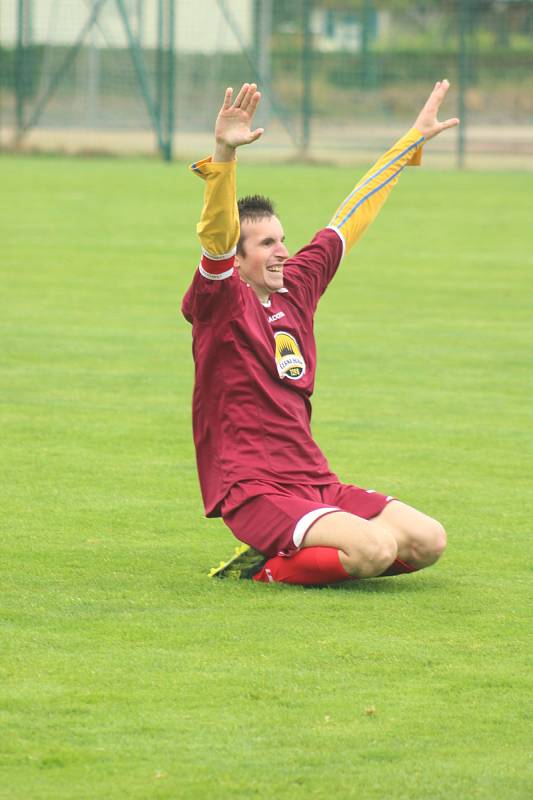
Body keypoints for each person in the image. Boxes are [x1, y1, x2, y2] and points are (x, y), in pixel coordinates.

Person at [182, 80, 459, 586]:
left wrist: (409, 145)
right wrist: (224, 154)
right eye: (266, 244)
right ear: (237, 259)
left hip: (314, 478)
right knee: (374, 549)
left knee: (427, 541)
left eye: (282, 239)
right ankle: (267, 565)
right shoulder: (220, 301)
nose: (282, 251)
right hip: (254, 488)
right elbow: (216, 237)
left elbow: (348, 219)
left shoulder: (296, 288)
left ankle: (298, 552)